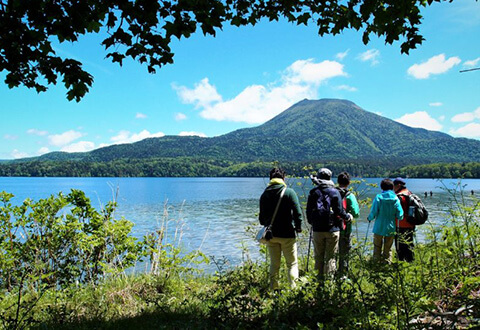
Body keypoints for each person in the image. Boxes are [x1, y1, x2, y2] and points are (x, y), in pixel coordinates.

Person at [259, 168, 303, 290]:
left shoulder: (265, 194)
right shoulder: (289, 192)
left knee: (274, 264)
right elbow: (297, 213)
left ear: (270, 179)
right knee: (292, 264)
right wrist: (298, 227)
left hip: (271, 235)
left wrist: (267, 224)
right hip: (288, 234)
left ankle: (274, 289)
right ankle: (293, 289)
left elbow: (261, 219)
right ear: (283, 178)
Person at [307, 168, 349, 277]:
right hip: (333, 229)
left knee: (318, 257)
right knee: (330, 257)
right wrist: (347, 217)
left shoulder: (314, 192)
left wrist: (312, 222)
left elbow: (308, 211)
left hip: (317, 229)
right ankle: (329, 282)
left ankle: (318, 281)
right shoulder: (335, 192)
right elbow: (339, 211)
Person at [367, 179, 403, 263]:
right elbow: (400, 214)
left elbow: (374, 211)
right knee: (388, 248)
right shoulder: (395, 198)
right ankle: (387, 264)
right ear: (392, 187)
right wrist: (397, 216)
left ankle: (376, 263)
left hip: (379, 227)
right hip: (390, 227)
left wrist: (369, 218)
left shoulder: (378, 197)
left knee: (377, 246)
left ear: (382, 187)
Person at [336, 172, 360, 276]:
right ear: (349, 183)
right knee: (344, 252)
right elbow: (356, 213)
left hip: (332, 228)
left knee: (331, 252)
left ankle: (329, 274)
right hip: (345, 229)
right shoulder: (350, 196)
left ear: (337, 182)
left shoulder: (332, 193)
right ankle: (343, 274)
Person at [394, 177, 415, 262]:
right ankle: (411, 263)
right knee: (409, 245)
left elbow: (396, 212)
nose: (393, 188)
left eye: (394, 186)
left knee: (400, 247)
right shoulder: (410, 194)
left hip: (400, 224)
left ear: (398, 185)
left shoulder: (399, 196)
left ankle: (401, 264)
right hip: (410, 224)